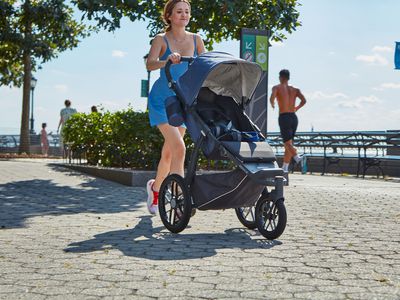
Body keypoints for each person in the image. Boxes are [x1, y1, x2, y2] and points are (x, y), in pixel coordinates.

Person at [145, 0, 205, 214]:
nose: (184, 15)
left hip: (183, 102)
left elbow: (204, 66)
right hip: (162, 101)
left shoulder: (197, 39)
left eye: (187, 11)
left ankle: (156, 189)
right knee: (179, 147)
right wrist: (168, 61)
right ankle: (180, 200)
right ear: (169, 15)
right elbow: (149, 63)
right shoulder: (161, 39)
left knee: (170, 153)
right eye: (179, 11)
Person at [270, 69, 307, 173]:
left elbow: (272, 97)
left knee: (287, 142)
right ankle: (285, 168)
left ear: (281, 77)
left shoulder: (276, 87)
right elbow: (304, 100)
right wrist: (296, 108)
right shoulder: (295, 89)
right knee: (289, 143)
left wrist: (272, 103)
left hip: (284, 117)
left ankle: (297, 157)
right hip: (294, 117)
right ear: (288, 77)